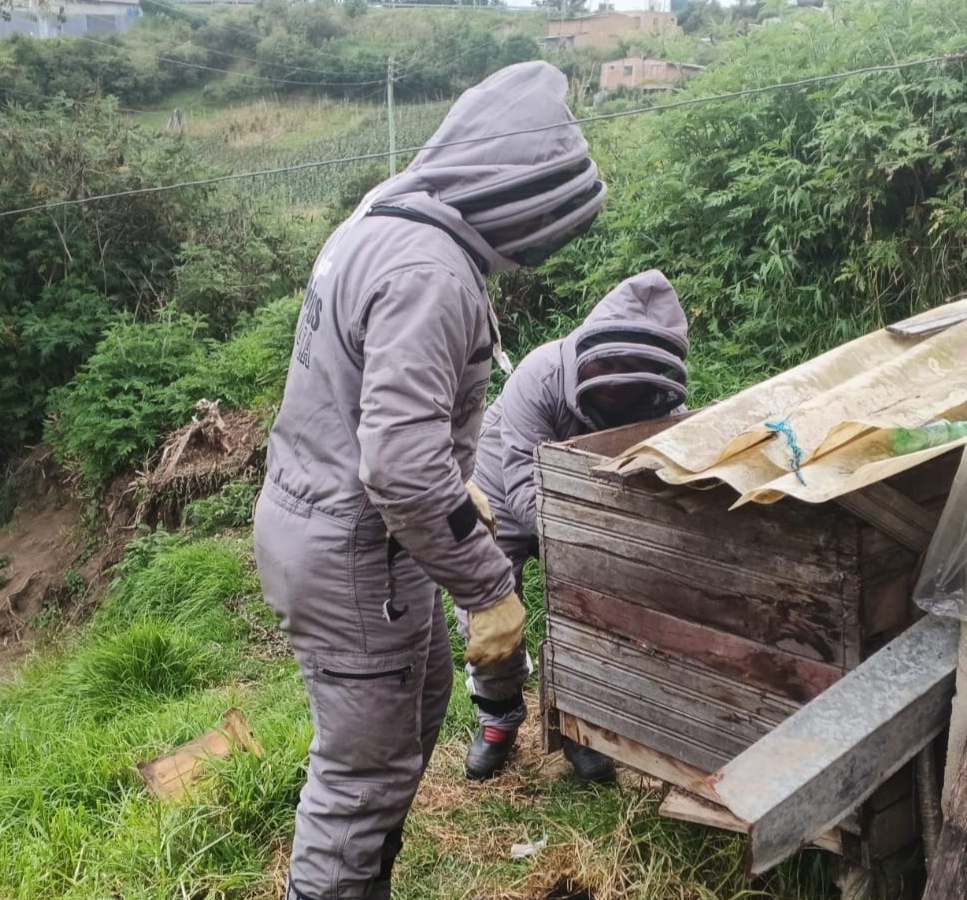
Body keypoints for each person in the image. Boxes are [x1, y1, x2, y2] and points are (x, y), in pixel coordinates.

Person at [252, 61, 605, 900]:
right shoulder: (432, 273)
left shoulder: (387, 215)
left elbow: (373, 406)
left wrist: (456, 482)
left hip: (340, 524)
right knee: (361, 779)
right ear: (512, 185)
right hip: (355, 551)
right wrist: (490, 590)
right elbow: (401, 466)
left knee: (416, 709)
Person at [460, 270, 690, 782]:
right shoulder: (539, 377)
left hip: (593, 507)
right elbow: (524, 487)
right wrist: (595, 539)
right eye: (610, 363)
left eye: (632, 368)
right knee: (490, 611)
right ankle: (498, 721)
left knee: (591, 613)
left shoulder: (661, 404)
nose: (619, 378)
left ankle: (579, 726)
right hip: (505, 494)